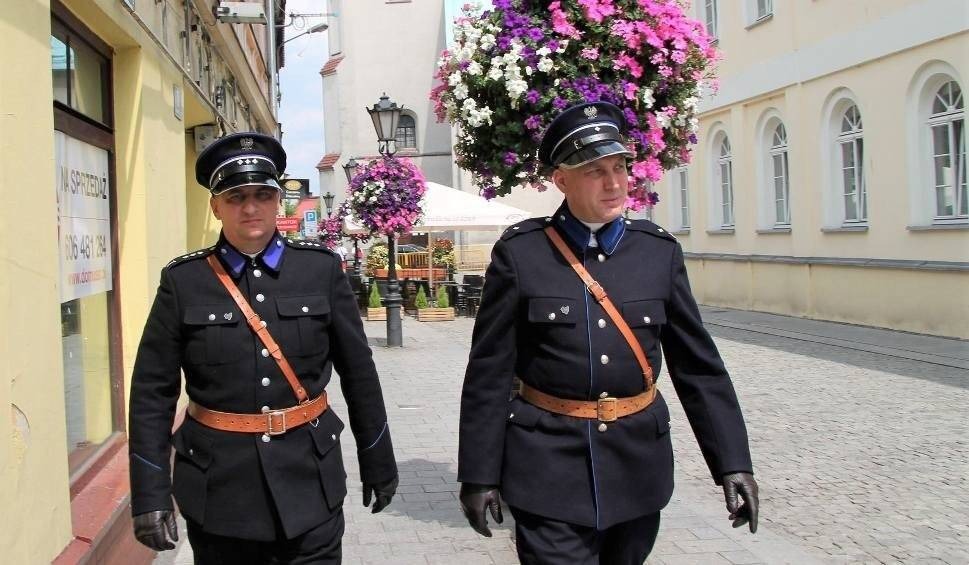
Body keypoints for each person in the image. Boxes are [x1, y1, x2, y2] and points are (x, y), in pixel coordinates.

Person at [457, 102, 759, 564]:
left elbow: (698, 368)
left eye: (619, 167)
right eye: (595, 171)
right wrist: (479, 474)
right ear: (561, 180)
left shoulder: (657, 252)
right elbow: (489, 372)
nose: (614, 183)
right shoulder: (522, 254)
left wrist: (732, 463)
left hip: (637, 470)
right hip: (547, 467)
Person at [128, 132, 398, 563]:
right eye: (235, 197)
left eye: (262, 195)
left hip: (310, 484)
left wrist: (377, 459)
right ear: (216, 207)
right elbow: (151, 392)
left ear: (278, 202)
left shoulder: (320, 270)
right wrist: (149, 492)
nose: (250, 208)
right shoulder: (184, 281)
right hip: (220, 495)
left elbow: (359, 374)